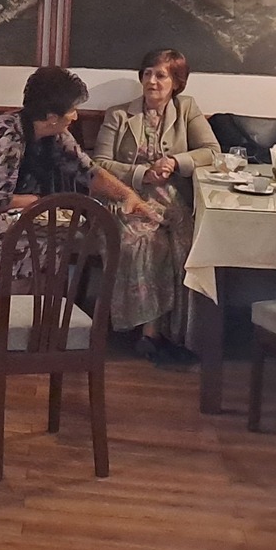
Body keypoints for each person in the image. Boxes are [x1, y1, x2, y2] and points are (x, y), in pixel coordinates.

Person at [93, 49, 220, 364]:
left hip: (172, 201)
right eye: (147, 73)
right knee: (145, 243)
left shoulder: (187, 109)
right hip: (126, 199)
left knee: (188, 244)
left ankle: (181, 334)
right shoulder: (118, 115)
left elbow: (212, 151)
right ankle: (150, 333)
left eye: (160, 75)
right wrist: (141, 174)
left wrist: (176, 161)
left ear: (176, 82)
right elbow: (99, 165)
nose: (152, 81)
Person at [0, 67, 154, 249]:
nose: (75, 116)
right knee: (31, 243)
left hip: (19, 211)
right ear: (52, 117)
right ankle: (23, 287)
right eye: (72, 110)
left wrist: (128, 196)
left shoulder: (58, 135)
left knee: (56, 238)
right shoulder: (4, 135)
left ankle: (42, 286)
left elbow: (88, 171)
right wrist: (39, 202)